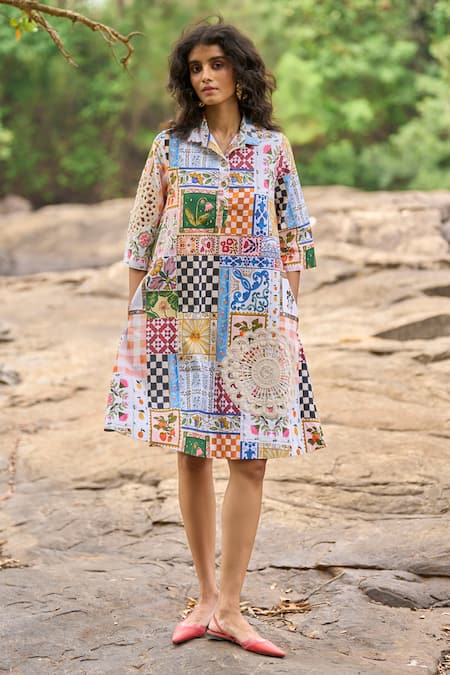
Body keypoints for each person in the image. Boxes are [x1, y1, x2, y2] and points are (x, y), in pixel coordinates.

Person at [104, 17, 326, 658]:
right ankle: (204, 598)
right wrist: (138, 319)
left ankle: (231, 607)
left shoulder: (272, 149)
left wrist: (285, 316)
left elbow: (295, 236)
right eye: (196, 68)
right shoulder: (168, 147)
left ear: (240, 71)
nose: (205, 76)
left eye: (216, 65)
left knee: (250, 457)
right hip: (183, 318)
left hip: (256, 322)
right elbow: (142, 235)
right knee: (193, 451)